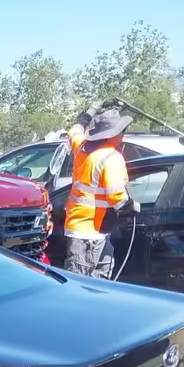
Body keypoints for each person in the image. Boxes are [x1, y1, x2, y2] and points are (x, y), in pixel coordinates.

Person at [63, 102, 139, 278]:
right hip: (91, 231)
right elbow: (116, 196)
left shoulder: (81, 147)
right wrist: (131, 207)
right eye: (122, 132)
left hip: (82, 227)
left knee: (91, 278)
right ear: (114, 135)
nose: (123, 136)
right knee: (83, 282)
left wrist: (92, 109)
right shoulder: (111, 157)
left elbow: (75, 130)